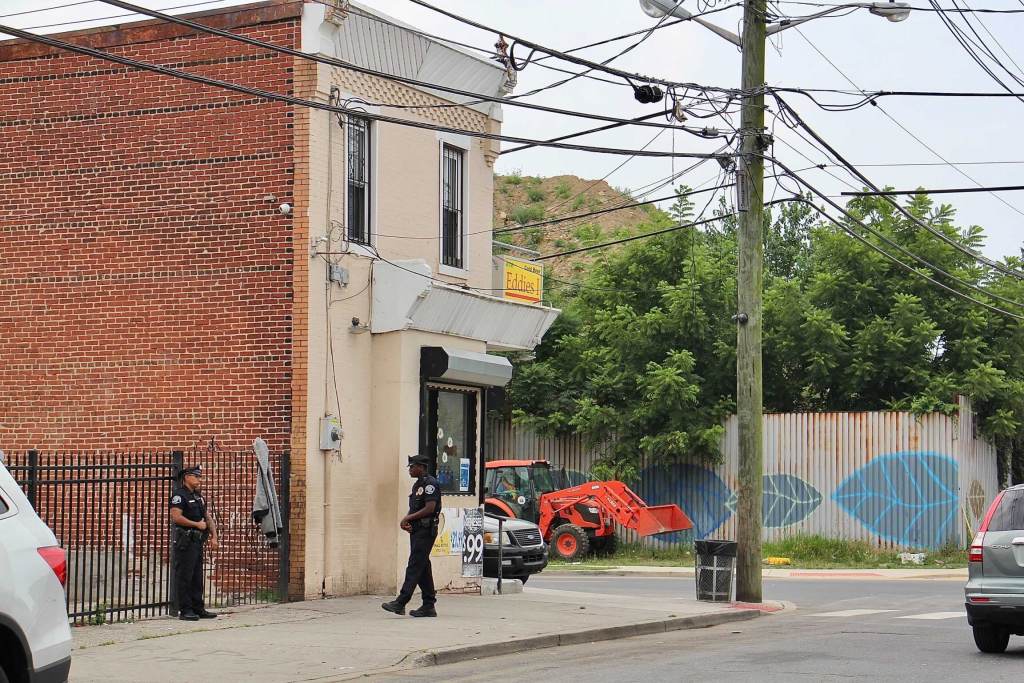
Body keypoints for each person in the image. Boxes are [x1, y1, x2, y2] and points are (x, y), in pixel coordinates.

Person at [382, 454, 441, 618]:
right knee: (422, 565)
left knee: (415, 564)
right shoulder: (417, 486)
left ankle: (401, 602)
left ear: (421, 467)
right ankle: (429, 605)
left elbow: (430, 508)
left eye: (412, 467)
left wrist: (408, 518)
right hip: (417, 530)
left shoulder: (430, 484)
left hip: (426, 530)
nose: (410, 470)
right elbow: (415, 508)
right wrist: (407, 521)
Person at [169, 465, 219, 621]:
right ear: (187, 477)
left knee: (197, 576)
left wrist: (214, 536)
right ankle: (185, 610)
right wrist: (196, 525)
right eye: (196, 476)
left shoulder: (198, 496)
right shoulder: (179, 496)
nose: (199, 479)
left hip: (197, 542)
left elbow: (207, 516)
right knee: (185, 576)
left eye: (200, 477)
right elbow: (176, 517)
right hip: (185, 541)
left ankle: (198, 607)